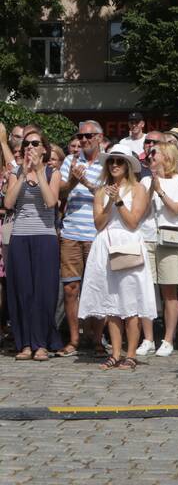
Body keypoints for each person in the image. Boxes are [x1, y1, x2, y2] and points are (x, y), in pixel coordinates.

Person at [78, 147, 154, 371]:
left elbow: (133, 222)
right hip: (105, 246)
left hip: (127, 245)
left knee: (130, 303)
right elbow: (99, 224)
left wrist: (119, 201)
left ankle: (131, 353)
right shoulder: (101, 190)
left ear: (127, 166)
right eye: (111, 161)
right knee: (111, 303)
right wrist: (110, 200)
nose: (114, 165)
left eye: (119, 162)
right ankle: (115, 352)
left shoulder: (138, 189)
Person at [4, 127, 63, 360]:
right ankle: (25, 343)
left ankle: (42, 343)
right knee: (22, 290)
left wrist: (38, 172)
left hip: (45, 236)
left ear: (44, 149)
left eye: (35, 144)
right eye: (27, 144)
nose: (30, 147)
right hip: (20, 236)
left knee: (44, 291)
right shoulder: (15, 172)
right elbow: (9, 203)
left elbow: (51, 202)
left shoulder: (52, 173)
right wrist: (22, 174)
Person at [133, 140, 178, 357]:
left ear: (167, 157)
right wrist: (151, 189)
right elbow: (142, 211)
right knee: (146, 289)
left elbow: (176, 210)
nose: (150, 158)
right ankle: (147, 338)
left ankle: (168, 339)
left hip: (170, 238)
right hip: (147, 237)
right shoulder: (146, 180)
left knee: (169, 291)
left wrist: (161, 191)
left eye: (154, 154)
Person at [58, 120, 106, 355]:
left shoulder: (108, 162)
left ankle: (97, 339)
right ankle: (75, 340)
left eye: (89, 136)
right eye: (81, 136)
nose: (84, 140)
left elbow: (107, 195)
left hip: (95, 233)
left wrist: (84, 182)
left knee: (96, 287)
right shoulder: (70, 160)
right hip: (71, 232)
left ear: (99, 137)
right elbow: (61, 192)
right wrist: (72, 182)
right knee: (70, 288)